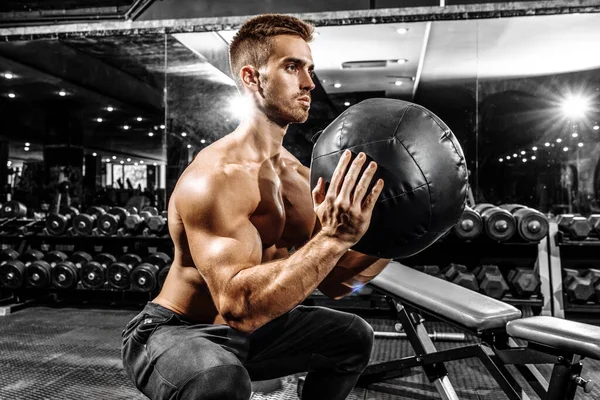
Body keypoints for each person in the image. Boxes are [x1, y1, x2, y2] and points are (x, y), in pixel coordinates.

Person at [122, 14, 391, 400]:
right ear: (252, 77)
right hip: (177, 330)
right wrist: (333, 237)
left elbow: (336, 281)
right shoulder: (215, 177)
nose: (309, 83)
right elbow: (237, 307)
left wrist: (404, 231)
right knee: (219, 380)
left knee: (351, 336)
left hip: (254, 331)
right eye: (292, 67)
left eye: (309, 69)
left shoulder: (300, 177)